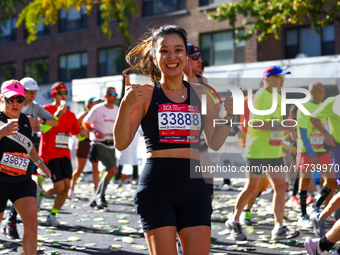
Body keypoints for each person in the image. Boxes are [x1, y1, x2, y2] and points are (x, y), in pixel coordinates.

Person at [113, 24, 234, 255]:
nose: (172, 57)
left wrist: (229, 117)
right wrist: (125, 105)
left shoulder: (201, 94)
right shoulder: (145, 94)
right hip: (157, 187)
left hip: (194, 187)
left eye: (178, 50)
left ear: (186, 56)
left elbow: (215, 142)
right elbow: (121, 142)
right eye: (164, 51)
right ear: (154, 57)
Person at [225, 66, 300, 241]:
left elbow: (276, 123)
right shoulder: (261, 97)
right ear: (267, 79)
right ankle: (234, 220)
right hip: (258, 151)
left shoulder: (278, 97)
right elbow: (257, 124)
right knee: (252, 188)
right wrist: (281, 126)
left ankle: (278, 227)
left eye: (283, 78)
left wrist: (285, 137)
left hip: (274, 150)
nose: (281, 81)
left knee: (280, 188)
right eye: (277, 77)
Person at [1, 77, 58, 239]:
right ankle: (10, 220)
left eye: (33, 93)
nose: (31, 96)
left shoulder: (35, 108)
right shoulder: (4, 109)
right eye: (28, 92)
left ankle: (11, 220)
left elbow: (54, 122)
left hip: (24, 157)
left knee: (23, 191)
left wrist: (40, 123)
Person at [36, 82, 83, 227]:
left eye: (65, 93)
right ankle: (41, 194)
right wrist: (57, 115)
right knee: (59, 187)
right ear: (54, 95)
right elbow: (42, 129)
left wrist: (86, 132)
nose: (63, 95)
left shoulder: (70, 115)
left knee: (66, 186)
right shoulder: (45, 109)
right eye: (60, 92)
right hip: (49, 154)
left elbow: (78, 135)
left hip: (64, 155)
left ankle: (52, 214)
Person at [295, 82, 336, 228]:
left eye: (323, 92)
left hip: (322, 150)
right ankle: (303, 215)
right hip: (306, 150)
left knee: (331, 182)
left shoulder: (323, 106)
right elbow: (304, 133)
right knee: (304, 182)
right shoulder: (304, 108)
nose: (322, 95)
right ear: (311, 92)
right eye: (319, 92)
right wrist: (311, 154)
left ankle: (317, 207)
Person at [310, 94, 340, 238]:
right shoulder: (333, 101)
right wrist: (327, 134)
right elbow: (314, 118)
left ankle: (322, 218)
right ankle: (321, 217)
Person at [83, 87, 119, 209]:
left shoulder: (117, 109)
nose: (114, 96)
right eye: (111, 94)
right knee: (112, 169)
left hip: (111, 143)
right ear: (105, 96)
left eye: (115, 94)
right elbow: (85, 123)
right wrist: (94, 131)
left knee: (110, 170)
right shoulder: (97, 109)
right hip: (99, 143)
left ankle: (96, 197)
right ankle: (100, 196)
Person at [68, 96, 101, 200]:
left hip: (95, 143)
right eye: (95, 102)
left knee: (96, 169)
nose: (97, 103)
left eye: (98, 102)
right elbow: (72, 126)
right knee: (79, 169)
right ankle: (71, 189)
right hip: (83, 142)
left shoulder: (98, 114)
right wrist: (82, 130)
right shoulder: (83, 114)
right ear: (89, 104)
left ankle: (97, 192)